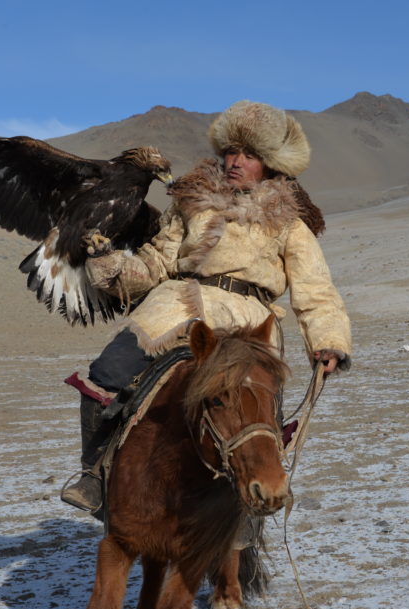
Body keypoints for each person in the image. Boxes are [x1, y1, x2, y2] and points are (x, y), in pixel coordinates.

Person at [61, 100, 352, 512]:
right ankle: (94, 475)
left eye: (249, 154)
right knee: (106, 373)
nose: (236, 161)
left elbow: (316, 290)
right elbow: (157, 263)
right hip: (172, 308)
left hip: (246, 322)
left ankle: (246, 522)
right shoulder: (190, 205)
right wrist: (111, 264)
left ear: (270, 163)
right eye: (231, 151)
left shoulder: (290, 224)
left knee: (254, 412)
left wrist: (328, 342)